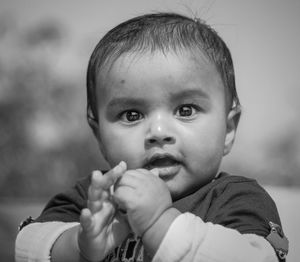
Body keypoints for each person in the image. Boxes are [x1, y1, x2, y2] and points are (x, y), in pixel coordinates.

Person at [15, 12, 289, 262]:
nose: (158, 133)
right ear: (99, 136)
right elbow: (29, 243)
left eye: (185, 110)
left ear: (228, 129)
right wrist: (78, 244)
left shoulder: (237, 198)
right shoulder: (95, 197)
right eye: (132, 115)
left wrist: (160, 222)